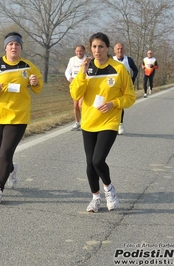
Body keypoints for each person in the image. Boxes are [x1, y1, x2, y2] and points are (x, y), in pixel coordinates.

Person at [70, 32, 136, 212]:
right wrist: (82, 73)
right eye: (94, 47)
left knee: (98, 160)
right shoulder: (86, 67)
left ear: (108, 48)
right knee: (89, 164)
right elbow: (75, 94)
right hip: (89, 122)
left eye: (101, 46)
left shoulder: (119, 69)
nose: (97, 50)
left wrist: (113, 103)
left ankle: (109, 189)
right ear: (89, 48)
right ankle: (95, 198)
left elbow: (130, 97)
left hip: (109, 121)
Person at [0, 32, 43, 204]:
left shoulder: (28, 66)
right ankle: (12, 168)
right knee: (1, 154)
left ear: (21, 47)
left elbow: (38, 87)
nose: (14, 47)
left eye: (17, 44)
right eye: (10, 44)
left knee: (6, 153)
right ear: (5, 48)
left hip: (18, 117)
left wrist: (35, 83)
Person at [113, 42, 138, 135]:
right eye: (118, 49)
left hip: (124, 86)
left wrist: (132, 79)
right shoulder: (111, 59)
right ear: (114, 50)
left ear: (124, 50)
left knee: (120, 105)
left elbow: (135, 70)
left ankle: (120, 124)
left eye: (121, 49)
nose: (120, 50)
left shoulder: (128, 60)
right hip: (113, 85)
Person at [65, 45, 86, 131]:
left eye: (80, 51)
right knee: (76, 106)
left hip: (83, 85)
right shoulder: (72, 60)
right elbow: (67, 71)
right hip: (74, 85)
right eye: (77, 51)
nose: (79, 53)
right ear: (75, 52)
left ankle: (84, 122)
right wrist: (70, 78)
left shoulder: (88, 60)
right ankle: (77, 122)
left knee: (81, 105)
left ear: (84, 51)